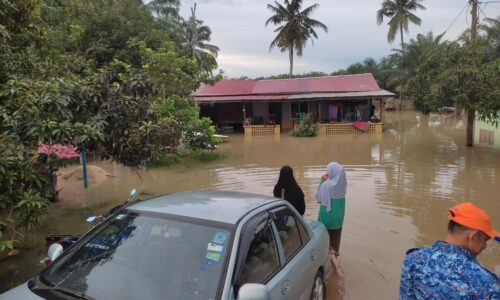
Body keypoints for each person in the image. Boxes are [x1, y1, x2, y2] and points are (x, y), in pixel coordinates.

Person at [399, 202, 500, 300]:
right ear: (473, 236)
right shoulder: (487, 283)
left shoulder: (413, 259)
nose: (484, 246)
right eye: (485, 240)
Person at [315, 162, 347, 256]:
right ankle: (335, 263)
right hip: (338, 219)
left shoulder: (326, 185)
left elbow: (319, 199)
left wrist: (321, 181)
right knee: (335, 244)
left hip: (326, 218)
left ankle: (334, 268)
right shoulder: (343, 185)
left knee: (326, 245)